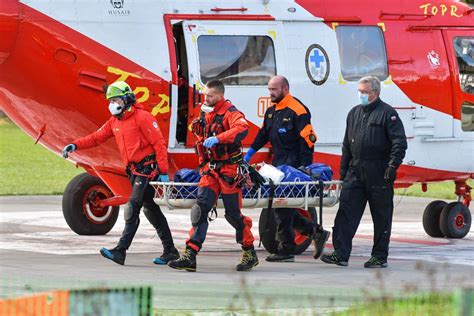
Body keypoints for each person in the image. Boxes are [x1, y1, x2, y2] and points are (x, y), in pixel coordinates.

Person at [62, 81, 179, 266]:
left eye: (115, 99)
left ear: (126, 99)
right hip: (134, 172)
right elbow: (96, 138)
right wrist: (75, 145)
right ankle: (171, 251)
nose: (112, 103)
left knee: (132, 208)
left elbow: (159, 145)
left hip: (147, 171)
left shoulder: (144, 118)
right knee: (151, 211)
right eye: (110, 100)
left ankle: (120, 251)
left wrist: (163, 172)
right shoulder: (115, 121)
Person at [167, 79, 258, 272]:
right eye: (204, 95)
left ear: (220, 96)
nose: (205, 99)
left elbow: (242, 129)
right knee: (199, 209)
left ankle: (249, 251)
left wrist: (218, 138)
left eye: (209, 96)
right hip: (210, 170)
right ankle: (190, 254)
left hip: (229, 171)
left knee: (233, 215)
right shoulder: (205, 112)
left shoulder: (231, 113)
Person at [321, 76, 407, 268]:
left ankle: (379, 256)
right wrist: (343, 174)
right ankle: (340, 253)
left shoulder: (388, 114)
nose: (361, 95)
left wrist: (392, 166)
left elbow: (399, 143)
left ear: (375, 93)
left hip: (379, 173)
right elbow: (346, 145)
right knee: (345, 214)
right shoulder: (353, 113)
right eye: (359, 91)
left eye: (365, 92)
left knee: (381, 217)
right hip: (356, 172)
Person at [244, 75, 330, 262]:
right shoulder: (271, 111)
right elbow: (262, 135)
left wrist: (303, 170)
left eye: (274, 90)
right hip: (279, 166)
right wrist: (250, 153)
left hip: (294, 168)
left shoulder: (298, 111)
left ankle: (287, 250)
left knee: (282, 208)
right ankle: (315, 232)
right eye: (269, 90)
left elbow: (307, 142)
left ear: (285, 88)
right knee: (282, 206)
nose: (271, 93)